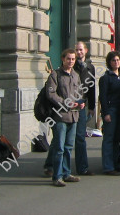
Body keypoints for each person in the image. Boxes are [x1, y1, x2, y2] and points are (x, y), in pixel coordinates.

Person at [46, 48, 83, 187]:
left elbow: (79, 92)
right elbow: (51, 94)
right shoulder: (55, 75)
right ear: (63, 59)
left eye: (73, 59)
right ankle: (57, 176)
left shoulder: (76, 75)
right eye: (68, 59)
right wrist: (65, 103)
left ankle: (67, 173)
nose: (71, 61)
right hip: (60, 116)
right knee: (59, 148)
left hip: (73, 115)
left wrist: (80, 103)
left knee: (68, 147)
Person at [99, 51, 120, 175]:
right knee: (109, 139)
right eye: (113, 60)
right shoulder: (105, 78)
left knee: (119, 138)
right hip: (112, 110)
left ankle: (116, 162)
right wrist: (106, 113)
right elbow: (103, 97)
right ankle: (108, 166)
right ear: (109, 63)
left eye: (117, 60)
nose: (116, 62)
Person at [73, 41, 96, 176]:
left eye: (81, 50)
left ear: (85, 51)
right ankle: (51, 165)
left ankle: (82, 168)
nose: (79, 52)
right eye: (76, 50)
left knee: (80, 137)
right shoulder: (70, 65)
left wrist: (92, 106)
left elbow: (91, 87)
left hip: (82, 105)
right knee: (63, 138)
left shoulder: (90, 67)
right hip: (69, 106)